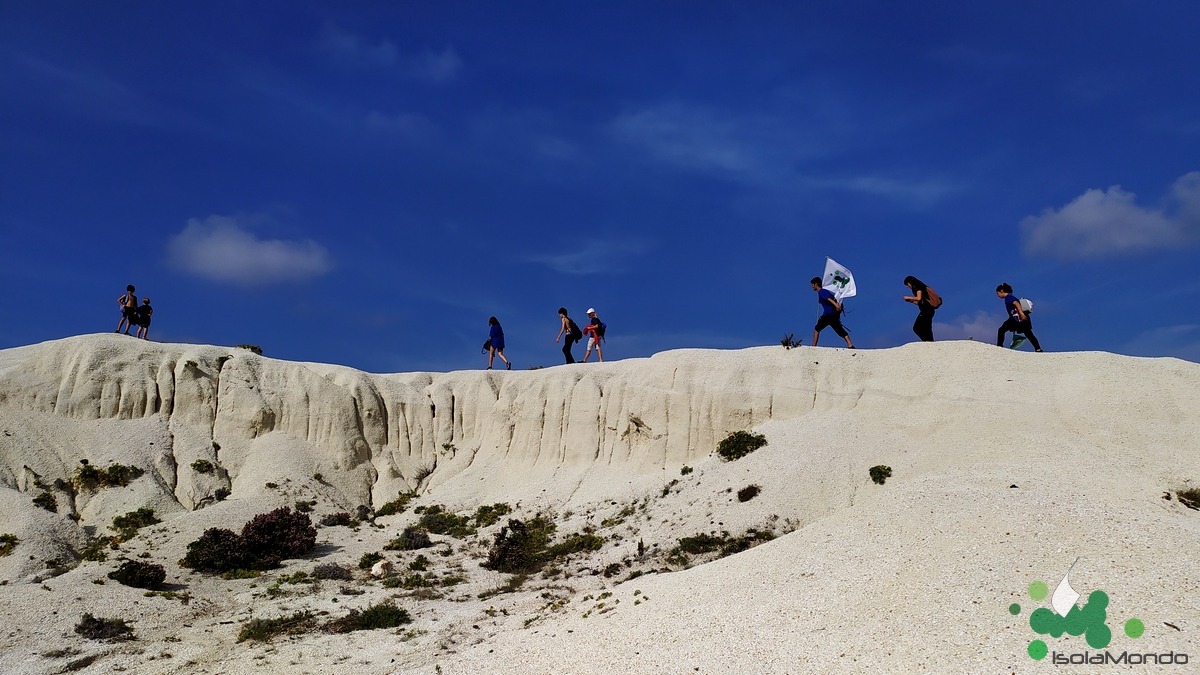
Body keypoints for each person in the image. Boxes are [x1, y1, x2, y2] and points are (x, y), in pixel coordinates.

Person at [995, 283, 1043, 352]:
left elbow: (1016, 303)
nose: (998, 295)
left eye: (998, 293)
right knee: (1029, 334)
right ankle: (1038, 348)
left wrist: (1021, 313)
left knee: (1001, 330)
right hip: (1020, 318)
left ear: (1001, 291)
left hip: (1016, 318)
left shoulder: (1008, 298)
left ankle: (999, 346)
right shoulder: (1010, 296)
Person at [811, 277, 855, 349]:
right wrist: (821, 301)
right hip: (834, 316)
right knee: (840, 330)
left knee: (817, 328)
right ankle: (850, 345)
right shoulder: (823, 292)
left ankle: (813, 347)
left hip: (828, 315)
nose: (812, 286)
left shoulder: (822, 291)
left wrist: (836, 305)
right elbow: (828, 298)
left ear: (816, 284)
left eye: (813, 284)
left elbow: (829, 298)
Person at [902, 276, 936, 342]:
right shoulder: (920, 287)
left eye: (907, 284)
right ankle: (929, 341)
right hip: (928, 310)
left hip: (926, 310)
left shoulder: (918, 287)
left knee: (917, 327)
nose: (908, 286)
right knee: (926, 327)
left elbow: (918, 298)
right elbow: (920, 302)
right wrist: (911, 301)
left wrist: (908, 297)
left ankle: (928, 341)